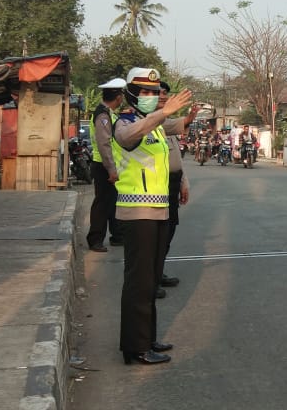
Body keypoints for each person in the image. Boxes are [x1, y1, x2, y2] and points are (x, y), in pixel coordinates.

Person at [111, 67, 192, 365]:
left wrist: (183, 113)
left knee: (151, 278)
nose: (151, 97)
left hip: (158, 211)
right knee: (139, 281)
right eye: (145, 92)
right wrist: (162, 112)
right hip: (137, 213)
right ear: (131, 94)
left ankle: (147, 338)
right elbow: (130, 137)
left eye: (153, 92)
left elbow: (177, 125)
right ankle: (135, 347)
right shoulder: (126, 122)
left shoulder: (155, 126)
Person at [155, 81, 198, 299]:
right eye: (159, 94)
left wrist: (183, 182)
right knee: (157, 234)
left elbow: (174, 159)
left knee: (168, 230)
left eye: (165, 94)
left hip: (172, 182)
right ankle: (150, 279)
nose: (163, 97)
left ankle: (158, 272)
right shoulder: (148, 122)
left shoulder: (165, 122)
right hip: (154, 188)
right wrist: (187, 118)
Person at [86, 77, 126, 252]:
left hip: (109, 164)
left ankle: (117, 236)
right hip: (103, 165)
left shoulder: (108, 113)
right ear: (118, 97)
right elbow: (104, 144)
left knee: (113, 202)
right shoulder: (102, 115)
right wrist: (111, 169)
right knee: (102, 203)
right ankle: (95, 239)